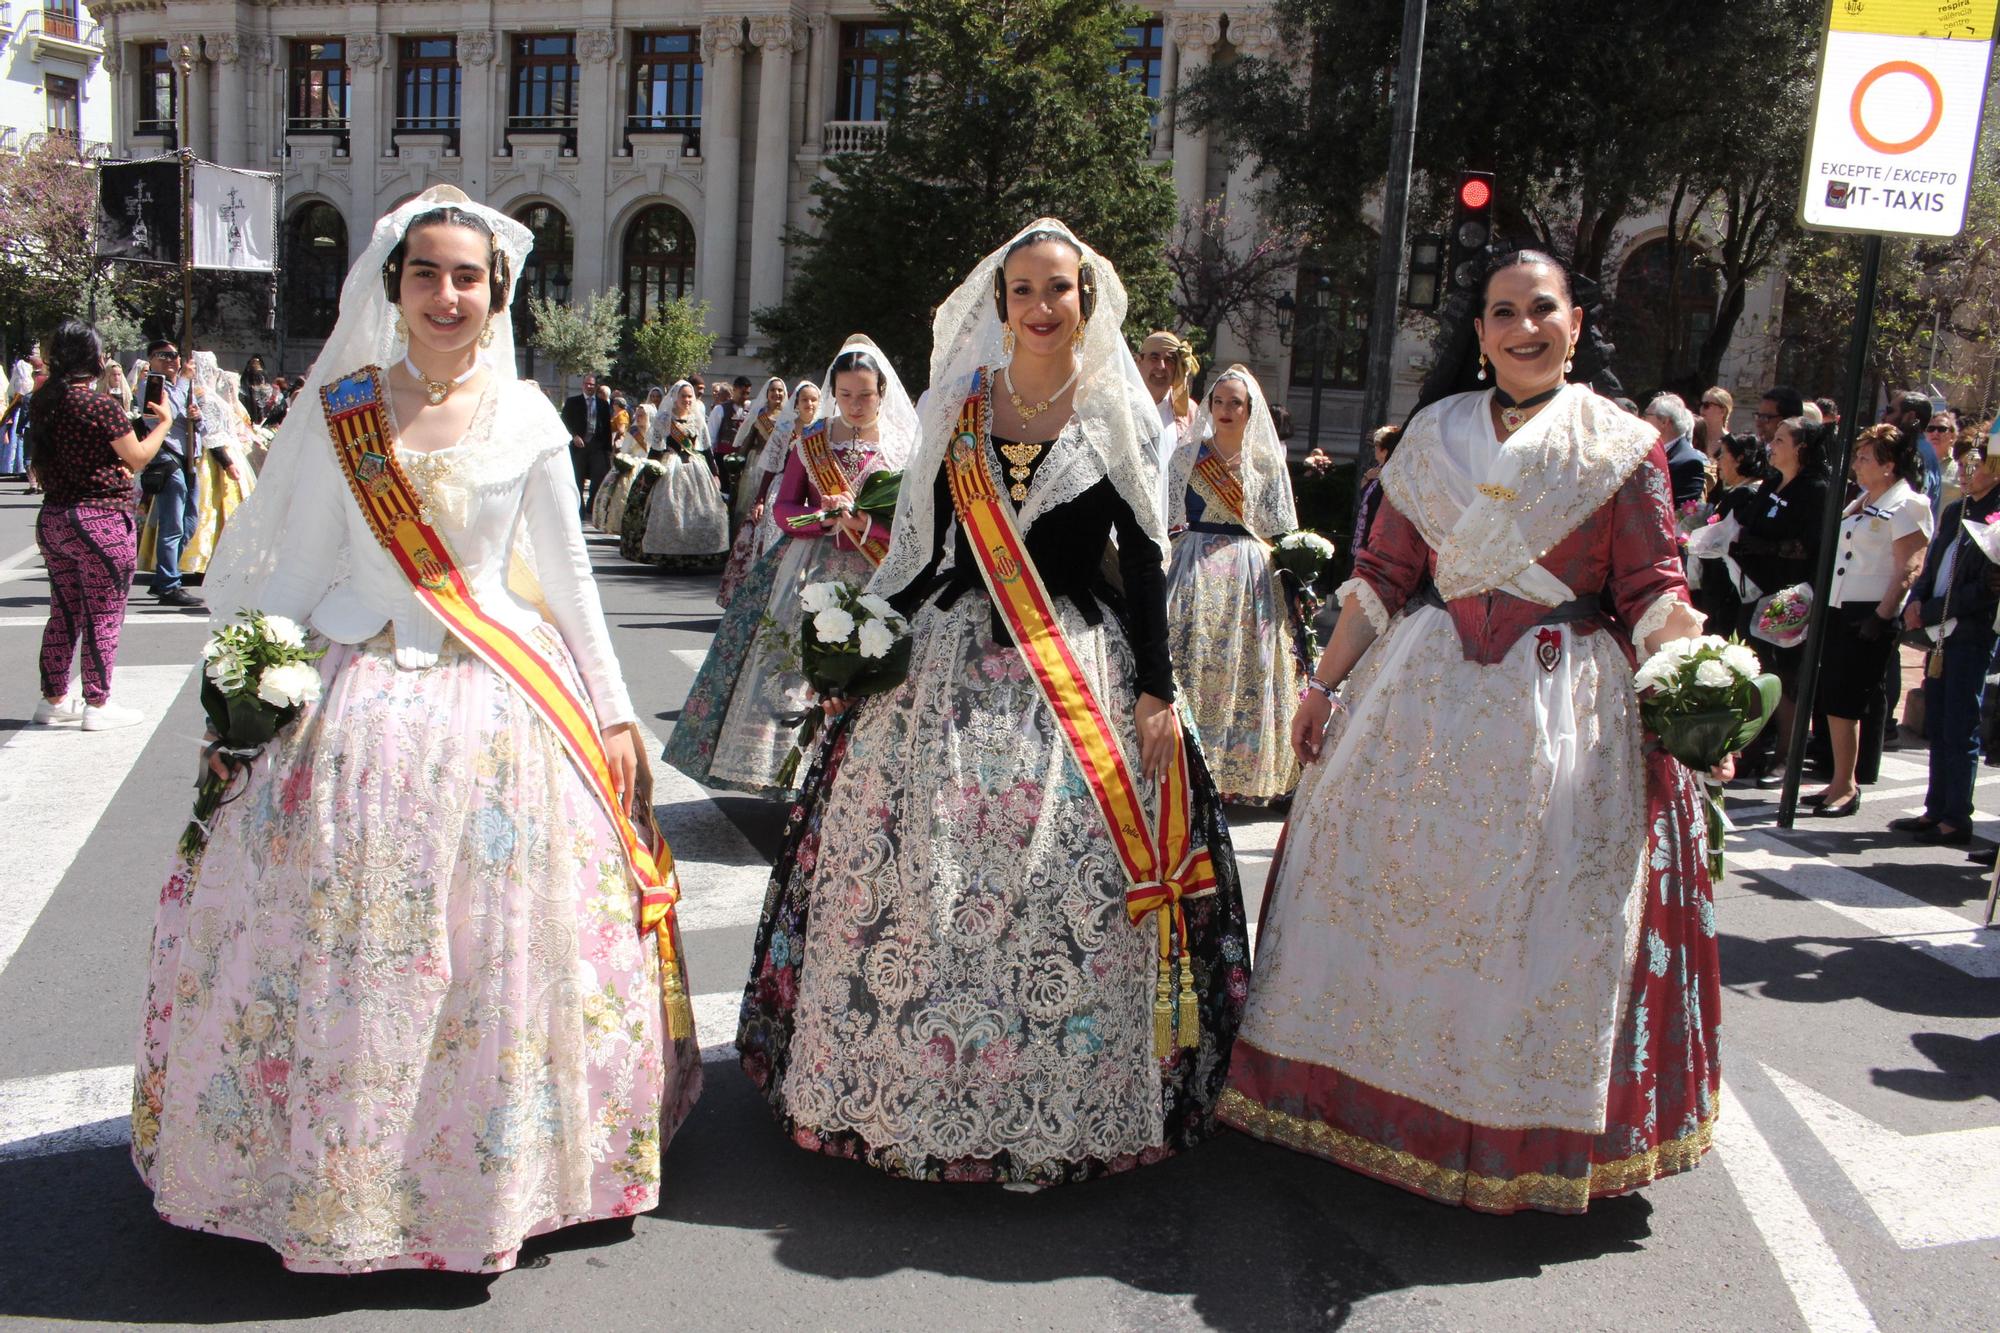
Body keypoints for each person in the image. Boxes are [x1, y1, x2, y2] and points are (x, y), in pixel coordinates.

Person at [132, 186, 701, 1275]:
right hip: (352, 715)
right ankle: (328, 1177)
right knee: (346, 953)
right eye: (427, 272)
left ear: (497, 294)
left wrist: (617, 713)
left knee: (498, 959)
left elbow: (570, 580)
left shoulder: (531, 418)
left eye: (468, 277)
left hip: (497, 711)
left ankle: (482, 1178)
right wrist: (240, 709)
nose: (448, 294)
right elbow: (296, 574)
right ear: (394, 284)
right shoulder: (342, 404)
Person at [735, 220, 1248, 1183]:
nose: (1042, 306)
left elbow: (1141, 557)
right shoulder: (958, 406)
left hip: (1076, 657)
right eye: (1023, 290)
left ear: (1085, 302)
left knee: (1057, 875)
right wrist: (864, 636)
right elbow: (921, 548)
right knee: (915, 865)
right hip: (949, 650)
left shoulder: (1116, 413)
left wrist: (1153, 689)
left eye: (1060, 289)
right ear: (999, 301)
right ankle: (907, 1077)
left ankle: (1057, 1080)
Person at [1219, 249, 1720, 1213]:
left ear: (1576, 325)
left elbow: (1653, 588)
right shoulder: (1435, 434)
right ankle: (1370, 1098)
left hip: (1562, 704)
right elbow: (1379, 580)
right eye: (1502, 313)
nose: (1524, 328)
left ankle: (1511, 1119)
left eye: (1543, 310)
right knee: (1388, 885)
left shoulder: (1620, 444)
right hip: (1423, 691)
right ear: (1480, 334)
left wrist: (1699, 682)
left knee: (1538, 915)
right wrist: (1320, 688)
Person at [665, 341, 913, 795]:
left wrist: (866, 523)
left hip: (878, 573)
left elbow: (914, 522)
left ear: (882, 393)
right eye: (846, 395)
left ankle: (863, 777)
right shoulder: (812, 442)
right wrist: (819, 519)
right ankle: (797, 775)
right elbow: (785, 506)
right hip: (809, 569)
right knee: (795, 668)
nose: (856, 405)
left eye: (866, 395)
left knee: (874, 669)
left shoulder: (903, 449)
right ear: (834, 393)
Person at [1164, 364, 1311, 805]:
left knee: (1246, 663)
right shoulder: (1189, 455)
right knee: (1194, 655)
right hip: (1193, 568)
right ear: (1209, 406)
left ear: (1251, 411)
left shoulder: (1265, 462)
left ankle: (1234, 772)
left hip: (1250, 572)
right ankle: (1186, 760)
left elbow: (1280, 525)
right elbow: (1166, 511)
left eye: (1236, 404)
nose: (1226, 410)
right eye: (1220, 402)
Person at [30, 319, 176, 731]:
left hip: (55, 518)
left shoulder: (44, 402)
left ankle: (54, 697)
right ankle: (97, 701)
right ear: (93, 358)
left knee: (64, 611)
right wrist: (163, 423)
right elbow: (137, 457)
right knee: (104, 614)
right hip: (100, 520)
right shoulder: (98, 406)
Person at [1807, 424, 1932, 816]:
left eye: (1865, 458)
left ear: (1889, 466)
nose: (1857, 464)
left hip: (1869, 612)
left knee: (1848, 700)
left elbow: (1908, 568)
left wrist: (1881, 616)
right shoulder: (1863, 499)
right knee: (1831, 696)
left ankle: (1847, 786)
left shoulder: (1908, 504)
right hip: (1839, 606)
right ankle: (1837, 781)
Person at [1895, 441, 2000, 845]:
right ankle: (1935, 807)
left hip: (1969, 632)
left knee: (1960, 724)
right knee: (1938, 721)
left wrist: (1937, 607)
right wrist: (1918, 599)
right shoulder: (1957, 511)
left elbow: (1985, 588)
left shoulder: (1995, 515)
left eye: (1976, 466)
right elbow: (1933, 560)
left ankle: (1957, 815)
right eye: (1964, 465)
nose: (1967, 474)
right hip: (1939, 630)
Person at [1729, 415, 1831, 787]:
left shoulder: (1816, 489)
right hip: (1753, 592)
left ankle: (1787, 757)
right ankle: (1750, 751)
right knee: (1752, 672)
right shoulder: (1772, 482)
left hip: (1790, 600)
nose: (1773, 445)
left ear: (1802, 448)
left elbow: (1810, 546)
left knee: (1788, 679)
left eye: (1782, 439)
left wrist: (1768, 547)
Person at [136, 338, 216, 608]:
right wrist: (183, 382)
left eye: (174, 355)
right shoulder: (152, 385)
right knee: (173, 524)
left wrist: (197, 418)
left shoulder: (183, 387)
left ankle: (163, 576)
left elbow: (201, 427)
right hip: (167, 457)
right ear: (152, 359)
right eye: (164, 355)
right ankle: (169, 584)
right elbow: (161, 415)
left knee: (190, 521)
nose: (172, 360)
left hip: (188, 458)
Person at [635, 379, 732, 571]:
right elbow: (655, 450)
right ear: (675, 398)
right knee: (672, 510)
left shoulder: (697, 419)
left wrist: (714, 473)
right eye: (684, 396)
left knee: (703, 510)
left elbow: (705, 450)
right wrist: (648, 474)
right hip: (671, 467)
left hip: (696, 468)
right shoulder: (664, 419)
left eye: (690, 396)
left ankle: (697, 554)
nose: (687, 400)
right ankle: (669, 554)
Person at [180, 352, 257, 579]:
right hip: (213, 457)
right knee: (212, 508)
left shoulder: (209, 395)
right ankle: (206, 560)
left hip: (224, 450)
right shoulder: (203, 397)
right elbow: (211, 434)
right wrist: (227, 463)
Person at [716, 375, 792, 606]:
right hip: (757, 466)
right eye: (773, 391)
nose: (777, 395)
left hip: (780, 471)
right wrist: (736, 462)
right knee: (748, 511)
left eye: (780, 391)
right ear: (766, 394)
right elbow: (746, 442)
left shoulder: (791, 418)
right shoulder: (759, 416)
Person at [1694, 432, 1769, 630]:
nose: (1718, 463)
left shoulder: (1746, 494)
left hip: (1728, 588)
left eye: (1723, 455)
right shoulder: (1742, 490)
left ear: (1739, 459)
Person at [562, 371, 613, 516]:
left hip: (597, 447)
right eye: (587, 384)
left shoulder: (602, 404)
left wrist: (607, 450)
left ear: (595, 386)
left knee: (598, 477)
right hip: (579, 446)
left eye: (592, 384)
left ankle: (592, 505)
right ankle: (579, 507)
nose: (589, 387)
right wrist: (574, 436)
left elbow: (607, 428)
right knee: (578, 477)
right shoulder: (573, 402)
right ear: (582, 385)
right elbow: (564, 422)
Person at [1645, 392, 1707, 508]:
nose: (1643, 420)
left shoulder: (1689, 462)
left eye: (1647, 415)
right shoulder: (1650, 451)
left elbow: (1681, 513)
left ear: (1664, 421)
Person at [1890, 390, 1941, 511]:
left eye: (1890, 411)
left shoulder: (1918, 452)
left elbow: (1912, 502)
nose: (1883, 417)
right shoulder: (1912, 447)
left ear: (1910, 416)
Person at [1356, 424, 1400, 550]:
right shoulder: (1377, 470)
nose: (1374, 450)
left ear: (1385, 451)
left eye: (1377, 446)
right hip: (1367, 533)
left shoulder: (1391, 474)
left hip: (1379, 539)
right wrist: (1366, 477)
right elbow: (1364, 493)